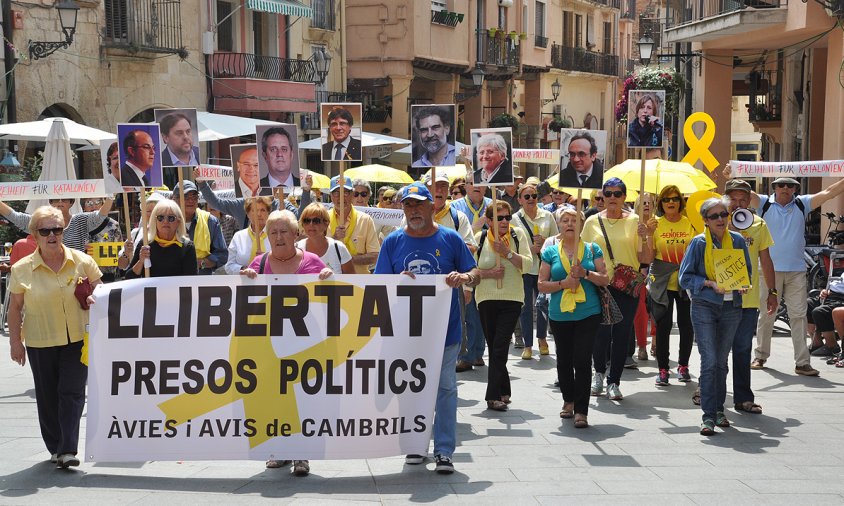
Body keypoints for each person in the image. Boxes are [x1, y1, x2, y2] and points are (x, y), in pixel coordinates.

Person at [374, 181, 479, 474]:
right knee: (410, 389)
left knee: (445, 388)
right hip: (407, 333)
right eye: (407, 204)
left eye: (418, 203)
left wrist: (465, 278)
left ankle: (444, 450)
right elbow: (380, 285)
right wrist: (398, 282)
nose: (413, 209)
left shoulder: (450, 238)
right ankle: (414, 445)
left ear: (432, 205)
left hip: (446, 329)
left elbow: (476, 272)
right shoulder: (392, 242)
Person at [8, 206, 103, 468]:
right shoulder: (21, 269)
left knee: (71, 392)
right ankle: (55, 446)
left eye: (57, 229)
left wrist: (97, 295)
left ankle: (67, 449)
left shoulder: (82, 261)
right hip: (40, 341)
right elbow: (14, 309)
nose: (52, 235)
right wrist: (15, 342)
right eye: (45, 230)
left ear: (64, 230)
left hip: (77, 340)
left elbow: (101, 289)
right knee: (48, 396)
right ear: (34, 235)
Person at [241, 209, 332, 477]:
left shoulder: (313, 261)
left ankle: (301, 455)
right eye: (273, 232)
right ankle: (278, 452)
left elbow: (333, 297)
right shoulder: (258, 264)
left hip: (306, 344)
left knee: (302, 398)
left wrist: (328, 277)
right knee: (274, 399)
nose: (279, 237)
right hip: (269, 345)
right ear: (266, 236)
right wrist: (245, 280)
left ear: (296, 234)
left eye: (284, 231)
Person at [747, 175, 844, 375]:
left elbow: (829, 192)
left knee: (798, 315)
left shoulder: (802, 203)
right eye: (781, 185)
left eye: (790, 185)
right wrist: (730, 174)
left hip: (796, 270)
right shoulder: (764, 203)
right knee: (766, 314)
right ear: (774, 187)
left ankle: (802, 362)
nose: (785, 188)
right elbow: (740, 193)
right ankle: (761, 355)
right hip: (768, 270)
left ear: (795, 189)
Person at [678, 198, 751, 436]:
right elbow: (684, 278)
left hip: (732, 308)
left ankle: (719, 409)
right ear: (705, 221)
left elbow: (747, 270)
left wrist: (741, 284)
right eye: (714, 216)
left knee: (721, 362)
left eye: (724, 214)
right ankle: (708, 416)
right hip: (704, 306)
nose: (720, 219)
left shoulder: (738, 240)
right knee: (709, 362)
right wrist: (709, 283)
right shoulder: (698, 243)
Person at [581, 178, 654, 400]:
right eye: (608, 194)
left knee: (621, 333)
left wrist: (646, 236)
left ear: (624, 197)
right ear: (602, 197)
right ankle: (599, 374)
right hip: (599, 283)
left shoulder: (636, 222)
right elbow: (583, 253)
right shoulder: (592, 221)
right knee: (600, 332)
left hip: (626, 285)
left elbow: (647, 258)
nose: (612, 198)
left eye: (617, 193)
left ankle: (615, 381)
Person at [539, 208, 609, 428]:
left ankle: (582, 410)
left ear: (581, 225)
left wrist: (585, 274)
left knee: (582, 358)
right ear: (558, 225)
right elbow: (541, 284)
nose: (569, 224)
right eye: (565, 220)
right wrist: (563, 284)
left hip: (588, 312)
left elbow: (605, 279)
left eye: (574, 221)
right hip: (560, 313)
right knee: (564, 359)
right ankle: (568, 399)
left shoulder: (592, 249)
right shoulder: (550, 252)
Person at [724, 178, 777, 414]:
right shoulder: (714, 222)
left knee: (743, 348)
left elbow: (765, 259)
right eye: (733, 199)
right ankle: (708, 391)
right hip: (720, 298)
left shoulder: (758, 224)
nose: (737, 204)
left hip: (748, 299)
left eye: (742, 200)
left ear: (749, 201)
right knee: (717, 349)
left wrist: (772, 292)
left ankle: (743, 398)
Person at [474, 201, 531, 411]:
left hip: (512, 297)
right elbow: (471, 271)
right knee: (494, 346)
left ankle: (492, 395)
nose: (505, 221)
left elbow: (528, 264)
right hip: (486, 298)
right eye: (500, 218)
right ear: (489, 221)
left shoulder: (517, 236)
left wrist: (507, 253)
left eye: (508, 217)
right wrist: (489, 274)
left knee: (499, 346)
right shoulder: (480, 238)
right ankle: (504, 387)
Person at [647, 185, 695, 386]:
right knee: (663, 327)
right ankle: (663, 369)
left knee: (687, 326)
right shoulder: (654, 224)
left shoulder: (690, 223)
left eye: (675, 198)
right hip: (661, 283)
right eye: (666, 199)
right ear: (661, 203)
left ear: (680, 202)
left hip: (685, 283)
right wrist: (648, 235)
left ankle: (683, 366)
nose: (671, 202)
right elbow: (649, 258)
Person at [512, 183, 559, 359]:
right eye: (527, 197)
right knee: (525, 307)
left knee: (543, 305)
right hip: (524, 267)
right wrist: (530, 249)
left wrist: (545, 241)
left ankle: (541, 338)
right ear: (519, 200)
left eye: (534, 196)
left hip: (543, 268)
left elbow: (556, 241)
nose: (531, 199)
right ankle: (528, 344)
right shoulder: (515, 219)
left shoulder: (547, 216)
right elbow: (513, 243)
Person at [0, 197, 113, 252]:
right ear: (50, 202)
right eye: (55, 199)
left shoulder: (80, 220)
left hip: (75, 273)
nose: (59, 202)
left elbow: (100, 216)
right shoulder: (41, 220)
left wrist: (111, 196)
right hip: (48, 273)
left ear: (71, 202)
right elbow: (14, 216)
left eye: (64, 199)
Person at [125, 200, 197, 278]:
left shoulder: (187, 247)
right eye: (160, 218)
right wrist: (141, 261)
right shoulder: (145, 244)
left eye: (171, 218)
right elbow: (129, 278)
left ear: (178, 222)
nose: (165, 221)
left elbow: (191, 281)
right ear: (155, 221)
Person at [171, 180, 228, 275]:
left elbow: (222, 255)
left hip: (202, 282)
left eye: (194, 197)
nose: (191, 200)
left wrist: (201, 263)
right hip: (174, 281)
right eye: (185, 197)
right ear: (174, 199)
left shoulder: (210, 221)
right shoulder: (166, 221)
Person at [326, 176, 379, 274]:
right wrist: (334, 239)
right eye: (337, 193)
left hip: (359, 282)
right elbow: (317, 254)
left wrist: (347, 260)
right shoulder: (323, 219)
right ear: (331, 195)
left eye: (345, 193)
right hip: (331, 280)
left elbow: (375, 256)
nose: (341, 197)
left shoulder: (365, 220)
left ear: (351, 195)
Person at [630, 192, 657, 367]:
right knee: (640, 311)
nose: (646, 205)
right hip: (637, 271)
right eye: (643, 202)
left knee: (656, 310)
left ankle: (656, 342)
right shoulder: (632, 222)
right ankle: (641, 346)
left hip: (657, 271)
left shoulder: (657, 223)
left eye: (649, 202)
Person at [296, 203, 354, 274]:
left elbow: (352, 281)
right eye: (306, 221)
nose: (311, 224)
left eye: (316, 221)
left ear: (326, 224)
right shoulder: (296, 249)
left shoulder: (339, 248)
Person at [224, 196, 272, 274]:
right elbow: (229, 266)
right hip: (244, 283)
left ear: (268, 213)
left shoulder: (275, 235)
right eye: (254, 210)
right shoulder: (238, 237)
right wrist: (243, 269)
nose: (259, 214)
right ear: (247, 214)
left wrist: (266, 261)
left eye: (263, 210)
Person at [82, 198, 123, 283]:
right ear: (84, 207)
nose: (93, 206)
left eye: (97, 202)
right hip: (83, 275)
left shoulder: (113, 225)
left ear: (103, 204)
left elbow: (119, 253)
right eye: (89, 202)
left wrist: (126, 251)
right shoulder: (77, 224)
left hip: (107, 276)